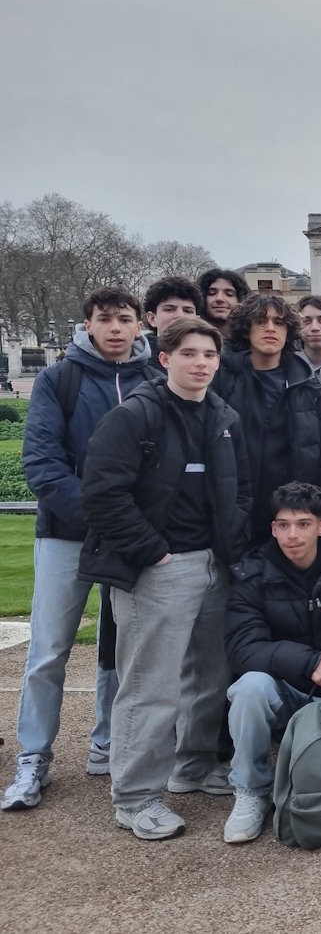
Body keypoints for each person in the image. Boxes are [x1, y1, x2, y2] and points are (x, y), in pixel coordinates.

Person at [77, 316, 251, 840]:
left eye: (209, 355)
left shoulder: (223, 415)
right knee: (150, 684)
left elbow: (239, 489)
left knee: (208, 677)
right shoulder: (135, 415)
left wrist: (230, 545)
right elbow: (102, 493)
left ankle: (192, 765)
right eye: (190, 353)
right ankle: (134, 796)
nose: (201, 363)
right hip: (160, 566)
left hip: (213, 562)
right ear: (165, 358)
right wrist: (153, 553)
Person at [2, 288, 159, 812]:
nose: (115, 328)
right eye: (105, 319)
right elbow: (42, 464)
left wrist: (130, 526)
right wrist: (107, 518)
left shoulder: (154, 380)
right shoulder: (57, 378)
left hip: (129, 535)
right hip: (69, 532)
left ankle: (107, 741)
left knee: (122, 652)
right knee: (48, 651)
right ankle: (34, 756)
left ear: (141, 325)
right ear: (87, 324)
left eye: (124, 319)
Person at [221, 482, 321, 843]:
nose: (292, 535)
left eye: (303, 524)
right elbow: (242, 648)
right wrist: (310, 663)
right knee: (249, 688)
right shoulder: (253, 573)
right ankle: (250, 791)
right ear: (273, 528)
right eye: (283, 525)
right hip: (285, 688)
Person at [213, 294, 321, 542]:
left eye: (279, 323)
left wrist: (313, 509)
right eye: (261, 321)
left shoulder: (307, 386)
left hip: (290, 518)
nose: (270, 328)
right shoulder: (220, 380)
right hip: (230, 514)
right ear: (246, 329)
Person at [141, 276, 203, 367]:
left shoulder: (210, 363)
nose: (180, 316)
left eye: (188, 311)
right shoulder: (132, 362)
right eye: (169, 309)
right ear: (152, 319)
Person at [197, 268, 249, 336]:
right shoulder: (187, 336)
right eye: (212, 293)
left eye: (229, 294)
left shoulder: (253, 340)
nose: (219, 298)